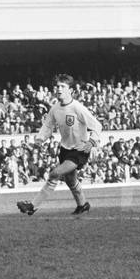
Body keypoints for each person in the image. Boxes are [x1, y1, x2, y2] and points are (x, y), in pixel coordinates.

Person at [17, 74, 102, 216]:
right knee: (70, 180)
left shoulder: (77, 108)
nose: (59, 89)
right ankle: (83, 205)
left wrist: (91, 142)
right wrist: (40, 139)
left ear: (71, 91)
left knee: (55, 173)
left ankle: (32, 205)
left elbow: (97, 125)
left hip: (79, 150)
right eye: (57, 86)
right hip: (65, 149)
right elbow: (48, 125)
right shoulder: (55, 108)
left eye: (63, 87)